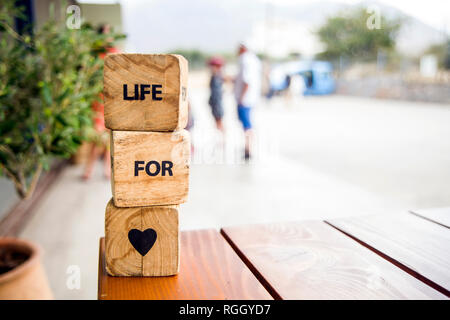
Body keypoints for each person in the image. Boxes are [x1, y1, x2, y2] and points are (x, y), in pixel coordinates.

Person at [82, 24, 118, 180]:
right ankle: (89, 169)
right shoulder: (95, 55)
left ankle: (106, 169)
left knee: (109, 137)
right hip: (98, 100)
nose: (107, 37)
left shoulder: (114, 53)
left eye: (109, 34)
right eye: (105, 34)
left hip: (111, 100)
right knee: (97, 137)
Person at [234, 42, 261, 161]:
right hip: (251, 98)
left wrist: (241, 98)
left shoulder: (245, 59)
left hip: (245, 99)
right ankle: (248, 147)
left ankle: (248, 149)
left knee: (247, 125)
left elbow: (247, 81)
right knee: (248, 125)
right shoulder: (254, 59)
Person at [208, 57, 225, 133]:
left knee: (219, 122)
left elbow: (217, 93)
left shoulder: (217, 77)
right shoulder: (216, 76)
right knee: (217, 122)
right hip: (215, 103)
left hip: (217, 104)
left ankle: (222, 139)